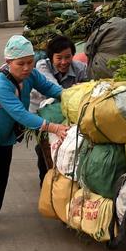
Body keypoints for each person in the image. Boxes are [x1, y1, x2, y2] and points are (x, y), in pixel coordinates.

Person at [0, 36, 69, 240]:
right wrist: (53, 127)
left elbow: (50, 89)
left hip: (3, 133)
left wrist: (71, 95)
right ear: (8, 62)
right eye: (21, 63)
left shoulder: (32, 75)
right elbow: (21, 114)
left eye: (30, 62)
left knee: (0, 174)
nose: (27, 68)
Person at [30, 35, 89, 183]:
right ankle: (45, 181)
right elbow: (53, 88)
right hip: (42, 113)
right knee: (43, 148)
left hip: (66, 114)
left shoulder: (80, 68)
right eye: (59, 58)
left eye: (68, 57)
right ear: (51, 58)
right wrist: (76, 91)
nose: (64, 62)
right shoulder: (42, 66)